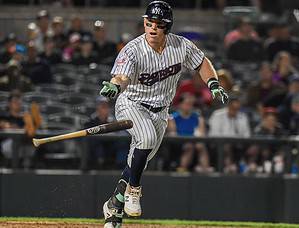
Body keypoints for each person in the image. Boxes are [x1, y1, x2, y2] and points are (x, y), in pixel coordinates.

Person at [99, 1, 229, 227]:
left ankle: (114, 206)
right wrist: (115, 86)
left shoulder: (181, 46)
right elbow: (121, 77)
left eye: (157, 25)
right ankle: (134, 191)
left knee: (138, 161)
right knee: (146, 139)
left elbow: (202, 63)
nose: (151, 28)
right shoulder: (133, 49)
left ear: (167, 27)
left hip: (161, 112)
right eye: (148, 23)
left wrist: (214, 84)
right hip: (132, 104)